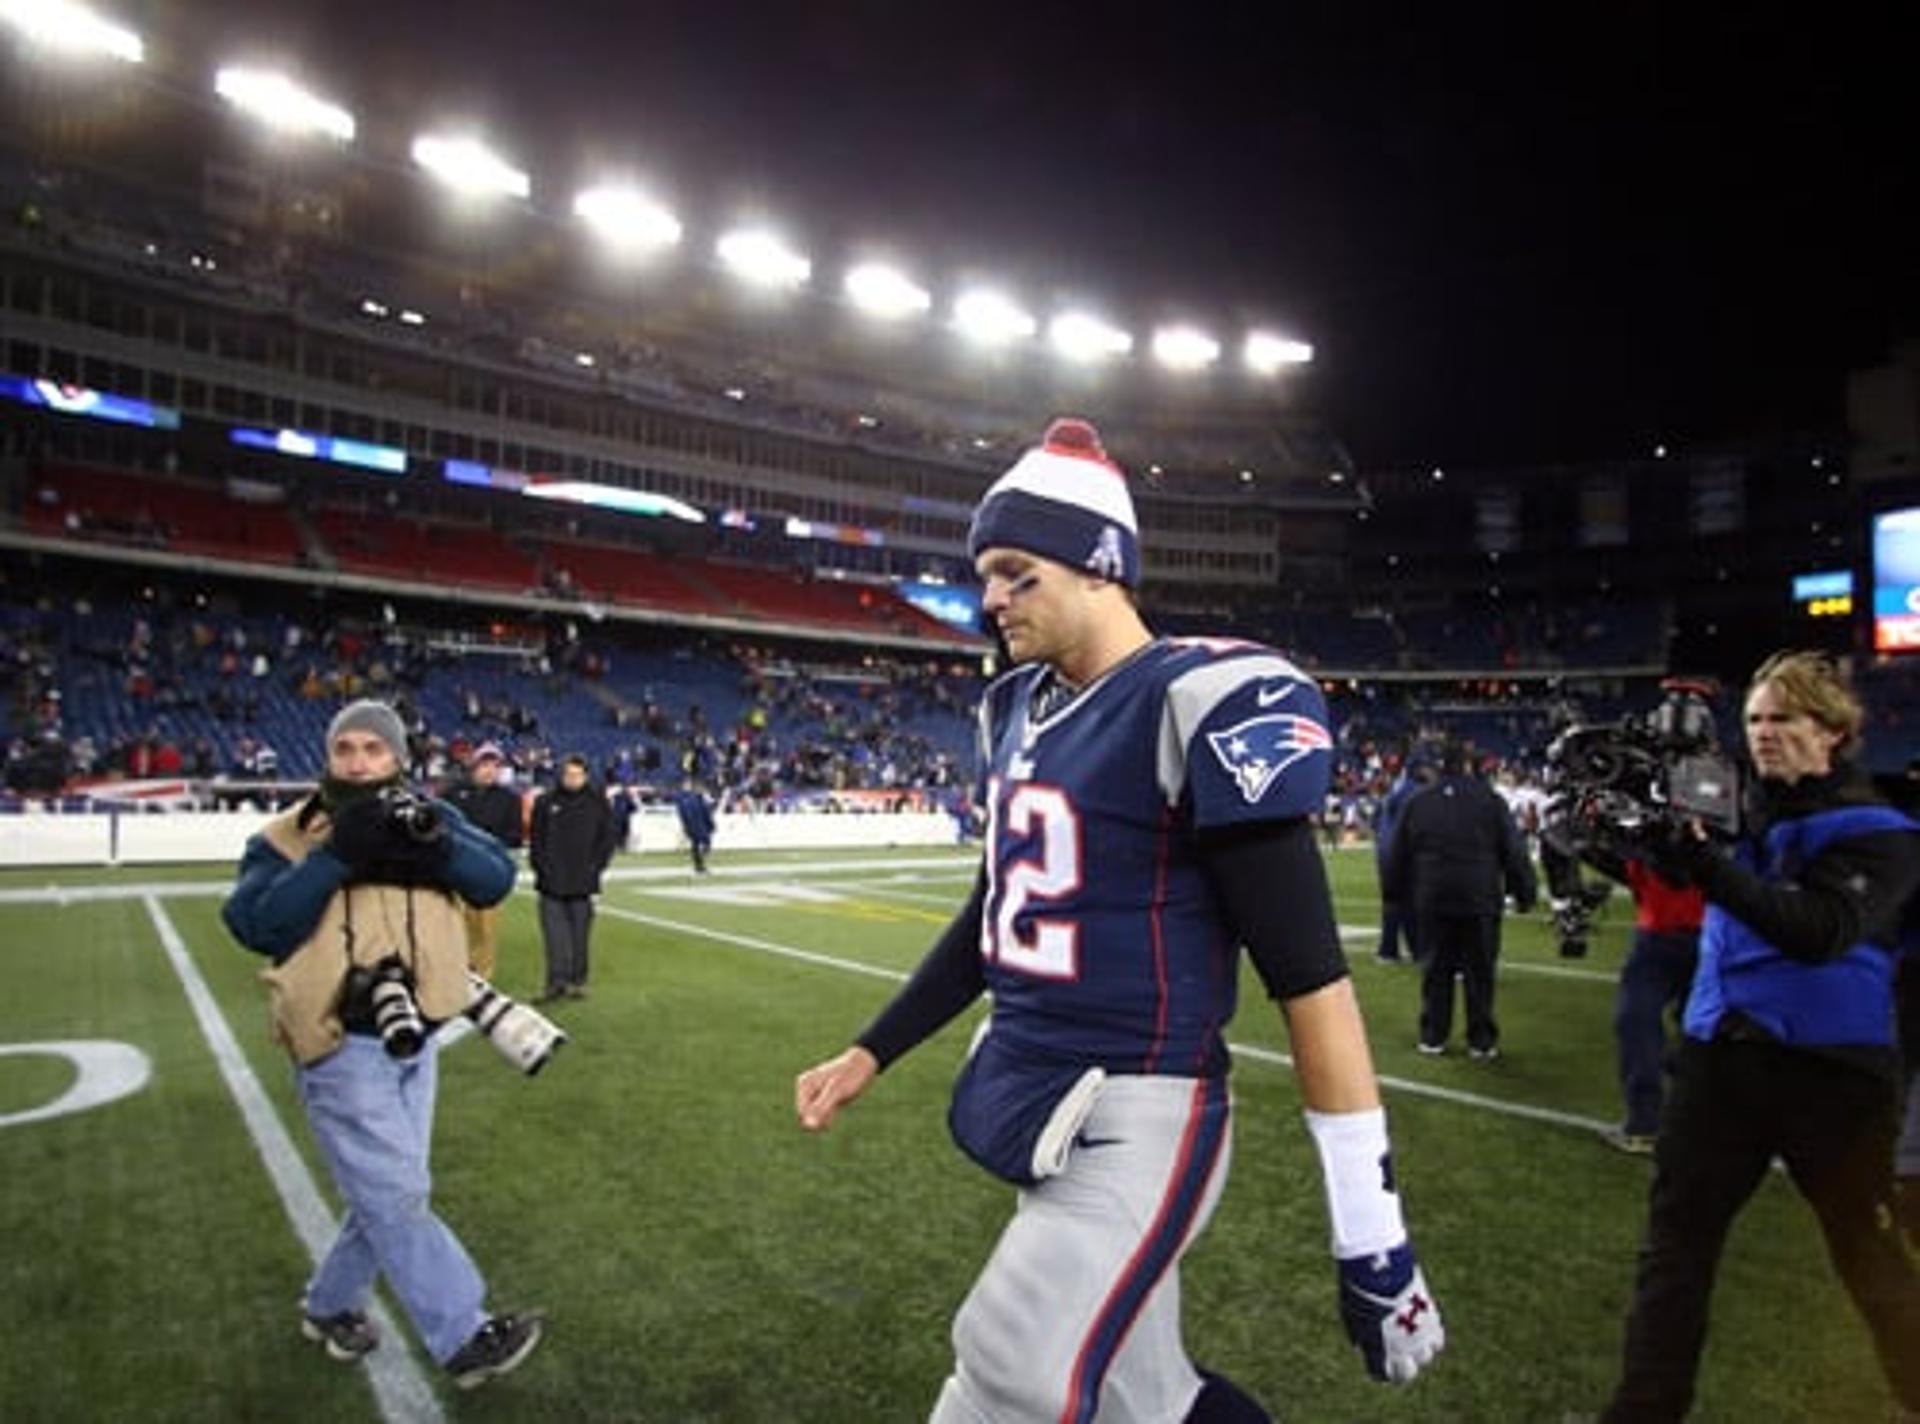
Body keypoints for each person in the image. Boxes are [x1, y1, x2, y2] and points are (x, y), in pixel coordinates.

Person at [793, 418, 1444, 1423]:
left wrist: (1373, 1230)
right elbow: (996, 908)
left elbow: (1315, 986)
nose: (990, 597)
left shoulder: (1203, 699)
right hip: (1040, 1096)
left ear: (1101, 563)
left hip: (1146, 1108)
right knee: (1151, 1401)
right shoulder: (1014, 709)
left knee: (1006, 1361)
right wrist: (873, 1048)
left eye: (1017, 571)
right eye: (985, 574)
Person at [1601, 651, 1920, 1420]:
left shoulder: (1883, 832)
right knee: (1674, 1254)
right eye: (1754, 720)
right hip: (1719, 1064)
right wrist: (1616, 841)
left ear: (1833, 730)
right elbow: (1683, 881)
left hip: (1832, 1076)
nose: (1765, 733)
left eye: (1784, 719)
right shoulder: (1737, 813)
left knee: (1867, 1253)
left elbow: (1818, 928)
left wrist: (1705, 862)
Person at [220, 699, 545, 1389]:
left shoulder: (429, 817)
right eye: (346, 750)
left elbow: (496, 880)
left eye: (374, 749)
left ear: (398, 757)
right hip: (340, 1041)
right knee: (396, 1194)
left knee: (390, 1191)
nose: (360, 762)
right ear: (329, 757)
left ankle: (330, 1306)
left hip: (418, 1033)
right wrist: (335, 857)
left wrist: (439, 845)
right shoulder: (289, 835)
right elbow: (255, 922)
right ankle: (464, 1335)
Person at [1383, 741, 1536, 1059]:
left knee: (1436, 968)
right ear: (1468, 765)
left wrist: (1394, 892)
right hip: (1479, 897)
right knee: (1479, 970)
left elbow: (1396, 853)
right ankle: (1480, 1039)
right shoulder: (1490, 801)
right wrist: (1524, 892)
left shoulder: (1418, 801)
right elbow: (1514, 851)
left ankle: (1433, 1035)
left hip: (1433, 896)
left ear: (1439, 767)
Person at [1574, 846, 1703, 1155]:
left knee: (1663, 1025)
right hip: (1671, 933)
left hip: (1693, 935)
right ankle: (1650, 1120)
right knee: (1642, 1022)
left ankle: (1660, 1117)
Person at [529, 753, 617, 1001]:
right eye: (568, 774)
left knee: (579, 936)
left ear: (586, 776)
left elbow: (608, 837)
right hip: (550, 882)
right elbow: (536, 839)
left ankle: (578, 981)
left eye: (577, 774)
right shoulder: (546, 802)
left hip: (583, 881)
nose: (572, 779)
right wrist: (540, 867)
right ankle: (555, 983)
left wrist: (596, 866)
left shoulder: (597, 803)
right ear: (561, 775)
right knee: (554, 937)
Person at [444, 742, 523, 979]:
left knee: (486, 930)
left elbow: (515, 834)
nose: (489, 770)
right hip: (456, 869)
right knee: (453, 925)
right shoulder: (454, 793)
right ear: (474, 766)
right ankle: (452, 973)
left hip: (488, 871)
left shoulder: (509, 799)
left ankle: (481, 978)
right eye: (484, 764)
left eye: (495, 765)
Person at [1372, 755, 1433, 965]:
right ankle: (1418, 950)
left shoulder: (1394, 791)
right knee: (1412, 903)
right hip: (1403, 852)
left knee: (1393, 902)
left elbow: (1376, 821)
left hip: (1385, 851)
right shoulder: (1417, 792)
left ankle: (1388, 950)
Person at [674, 778, 715, 874]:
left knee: (700, 845)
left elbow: (706, 811)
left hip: (698, 825)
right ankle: (699, 865)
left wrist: (710, 823)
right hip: (695, 825)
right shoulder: (685, 799)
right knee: (700, 844)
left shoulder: (696, 798)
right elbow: (684, 814)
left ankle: (699, 865)